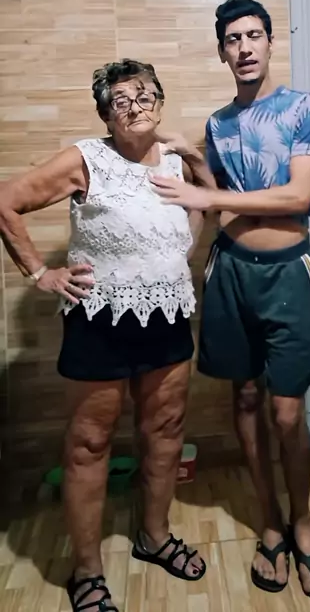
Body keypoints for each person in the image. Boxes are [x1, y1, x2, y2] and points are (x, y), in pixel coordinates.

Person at [0, 58, 214, 612]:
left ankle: (155, 537)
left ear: (160, 103)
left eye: (145, 96)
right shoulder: (85, 158)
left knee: (165, 429)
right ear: (105, 114)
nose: (136, 107)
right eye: (121, 100)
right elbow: (6, 202)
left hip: (167, 313)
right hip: (99, 320)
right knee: (89, 444)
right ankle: (87, 571)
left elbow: (207, 204)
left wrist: (193, 162)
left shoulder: (175, 159)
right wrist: (40, 273)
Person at [151, 0, 310, 600]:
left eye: (254, 35)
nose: (245, 47)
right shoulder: (219, 123)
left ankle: (303, 521)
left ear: (269, 42)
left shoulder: (303, 107)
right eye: (233, 39)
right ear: (222, 51)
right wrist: (195, 161)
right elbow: (219, 197)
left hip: (288, 273)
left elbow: (297, 197)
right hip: (229, 269)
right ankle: (269, 522)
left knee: (287, 411)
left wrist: (209, 197)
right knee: (247, 396)